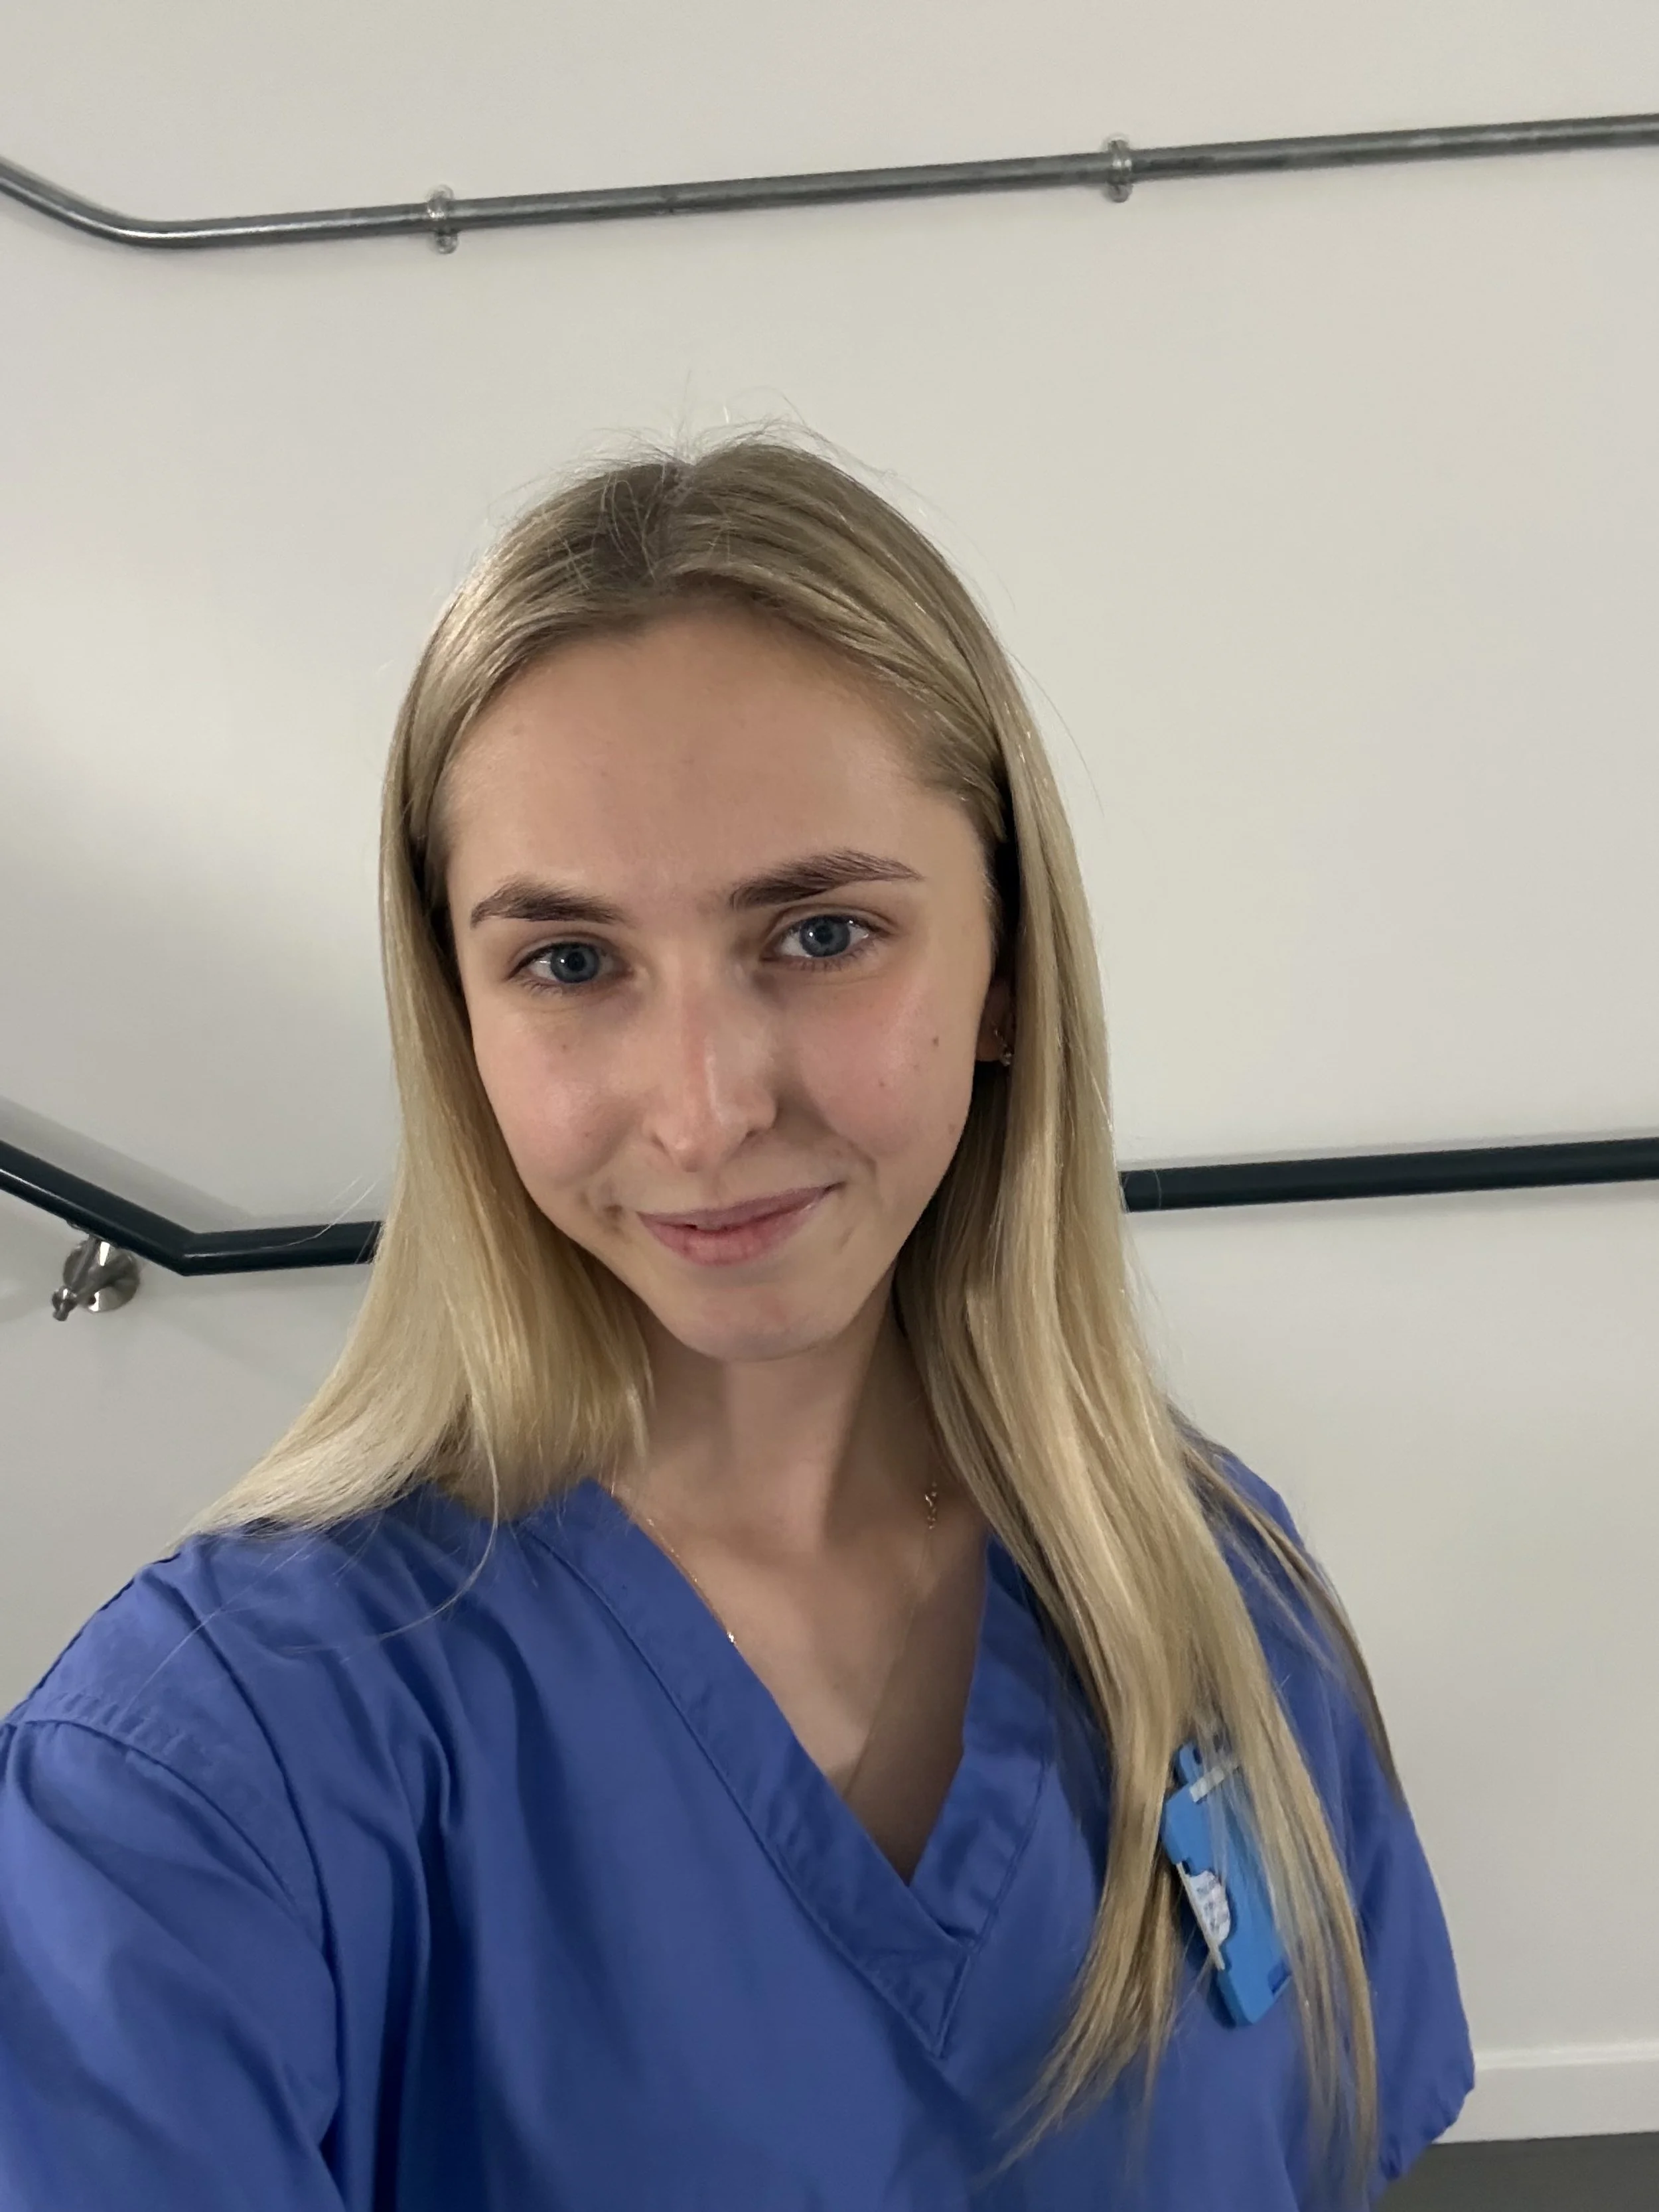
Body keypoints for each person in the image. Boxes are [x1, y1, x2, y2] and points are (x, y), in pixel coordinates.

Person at [0, 431, 1472, 2208]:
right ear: (458, 1018)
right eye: (568, 963)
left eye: (821, 932)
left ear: (1004, 964)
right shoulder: (202, 1772)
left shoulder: (1221, 1598)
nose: (698, 1109)